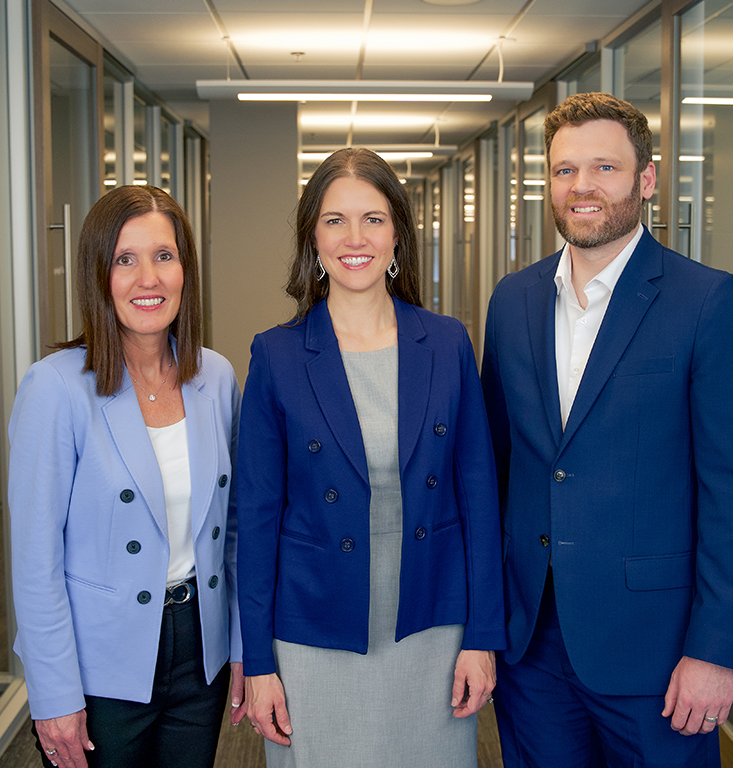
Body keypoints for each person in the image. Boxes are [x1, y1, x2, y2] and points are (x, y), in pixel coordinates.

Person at [481, 91, 733, 767]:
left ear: (646, 180)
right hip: (531, 647)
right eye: (563, 170)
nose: (582, 187)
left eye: (604, 168)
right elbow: (497, 466)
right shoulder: (512, 299)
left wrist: (716, 651)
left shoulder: (708, 301)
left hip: (659, 656)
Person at [237, 147, 505, 767]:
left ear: (398, 233)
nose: (354, 238)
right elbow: (255, 519)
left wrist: (482, 637)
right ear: (312, 236)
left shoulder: (446, 343)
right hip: (313, 628)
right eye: (334, 220)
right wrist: (258, 662)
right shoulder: (277, 355)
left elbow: (479, 497)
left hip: (432, 625)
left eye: (373, 219)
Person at [8, 185, 244, 768]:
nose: (149, 279)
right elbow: (36, 560)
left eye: (164, 256)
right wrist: (54, 690)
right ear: (99, 276)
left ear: (185, 270)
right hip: (98, 664)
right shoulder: (56, 388)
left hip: (200, 654)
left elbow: (235, 529)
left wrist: (242, 645)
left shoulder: (215, 377)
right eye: (125, 259)